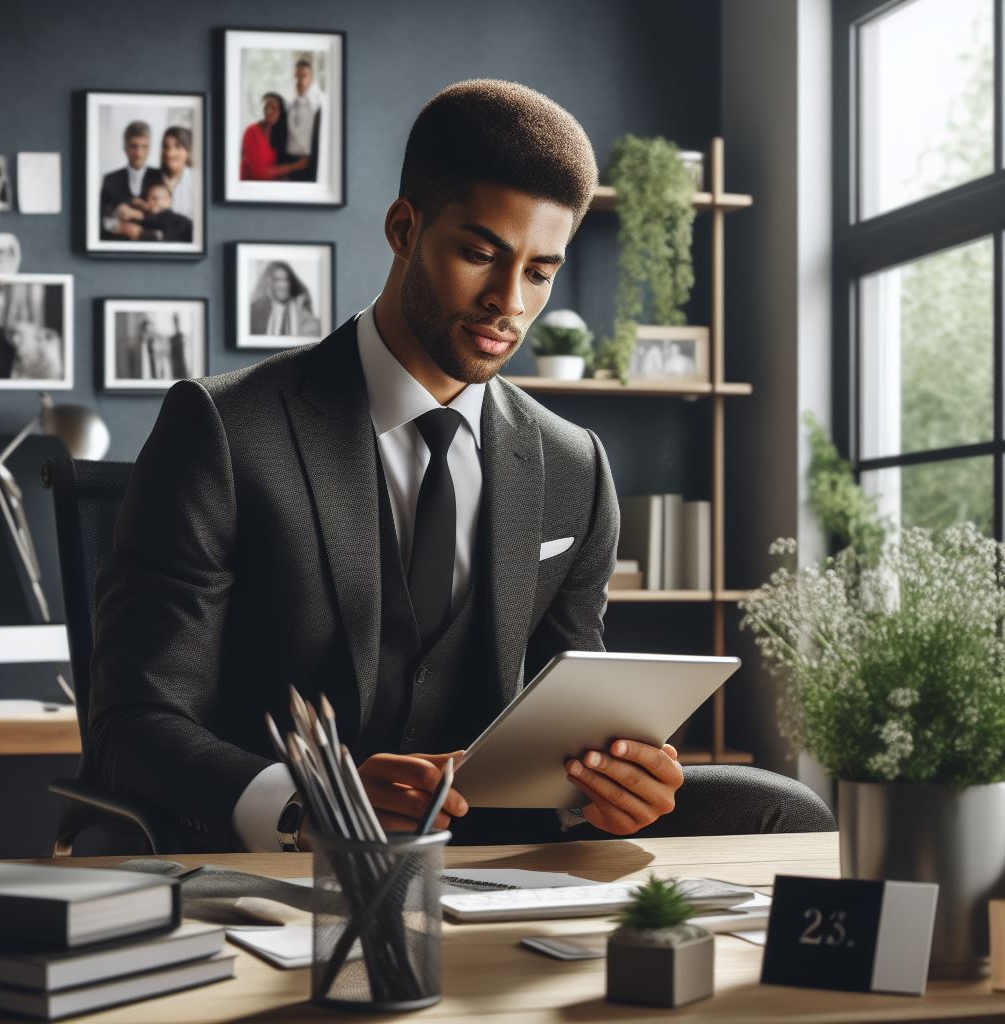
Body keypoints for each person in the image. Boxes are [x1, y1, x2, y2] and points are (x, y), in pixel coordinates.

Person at [89, 80, 833, 854]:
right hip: (293, 862)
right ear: (405, 228)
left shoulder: (572, 465)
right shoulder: (222, 429)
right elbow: (134, 724)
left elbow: (574, 719)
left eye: (541, 272)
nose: (509, 302)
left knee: (785, 813)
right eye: (481, 254)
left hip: (499, 850)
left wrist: (612, 786)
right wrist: (312, 802)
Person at [99, 121, 162, 239]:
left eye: (144, 147)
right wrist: (120, 225)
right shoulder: (110, 180)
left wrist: (139, 216)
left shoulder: (160, 178)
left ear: (150, 149)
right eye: (134, 146)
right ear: (125, 148)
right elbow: (100, 223)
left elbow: (166, 220)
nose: (139, 153)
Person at [240, 93, 309, 181]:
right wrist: (295, 166)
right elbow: (259, 173)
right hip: (250, 187)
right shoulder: (251, 131)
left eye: (273, 108)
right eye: (266, 107)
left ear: (281, 113)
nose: (268, 111)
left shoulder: (280, 134)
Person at [249, 261, 320, 337]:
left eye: (286, 280)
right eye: (277, 280)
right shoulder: (255, 311)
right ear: (269, 282)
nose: (283, 285)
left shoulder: (301, 306)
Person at [110, 182, 192, 243]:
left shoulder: (181, 221)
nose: (158, 202)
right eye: (153, 198)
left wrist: (140, 218)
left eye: (164, 198)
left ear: (170, 201)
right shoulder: (140, 219)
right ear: (146, 202)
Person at [285, 57, 323, 182]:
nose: (299, 81)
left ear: (311, 78)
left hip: (311, 163)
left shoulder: (318, 106)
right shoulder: (290, 105)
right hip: (290, 163)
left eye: (304, 76)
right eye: (296, 76)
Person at [158, 126, 195, 220]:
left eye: (177, 147)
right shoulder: (151, 178)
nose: (170, 153)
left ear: (188, 151)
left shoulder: (197, 182)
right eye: (166, 147)